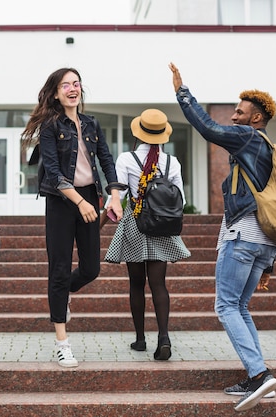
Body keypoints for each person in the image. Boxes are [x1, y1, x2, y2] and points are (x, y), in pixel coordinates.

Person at [169, 62, 276, 412]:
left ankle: (260, 374)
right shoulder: (269, 150)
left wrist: (182, 92)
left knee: (225, 305)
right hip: (264, 242)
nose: (234, 116)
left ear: (256, 118)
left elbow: (207, 127)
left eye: (240, 111)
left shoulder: (248, 137)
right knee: (241, 307)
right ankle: (260, 379)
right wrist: (270, 262)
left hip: (242, 237)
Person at [21, 68, 124, 368]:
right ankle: (62, 343)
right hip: (62, 202)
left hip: (89, 198)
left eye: (76, 83)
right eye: (65, 85)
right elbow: (53, 172)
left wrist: (114, 195)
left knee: (91, 269)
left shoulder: (91, 123)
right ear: (55, 93)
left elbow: (106, 159)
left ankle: (62, 292)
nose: (72, 89)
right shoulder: (51, 126)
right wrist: (79, 202)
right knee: (60, 268)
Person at [104, 109, 191, 360]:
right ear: (163, 136)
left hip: (135, 222)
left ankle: (140, 339)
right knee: (159, 284)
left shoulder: (126, 159)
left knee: (136, 284)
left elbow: (117, 197)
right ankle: (164, 337)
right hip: (162, 225)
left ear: (139, 133)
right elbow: (181, 199)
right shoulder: (171, 162)